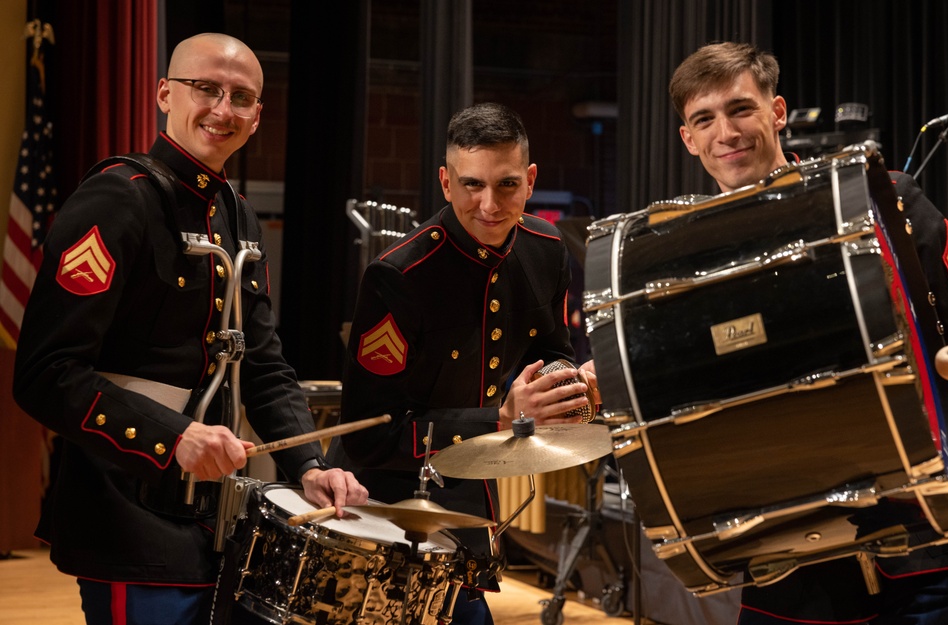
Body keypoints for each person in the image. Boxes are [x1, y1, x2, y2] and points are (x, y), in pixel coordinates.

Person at [12, 33, 367, 625]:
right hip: (125, 511)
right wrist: (172, 437)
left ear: (258, 116)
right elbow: (44, 375)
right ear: (164, 94)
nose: (223, 109)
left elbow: (264, 365)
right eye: (207, 88)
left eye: (242, 96)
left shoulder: (238, 214)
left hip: (216, 520)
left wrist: (310, 463)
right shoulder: (115, 200)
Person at [668, 41, 948, 624]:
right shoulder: (678, 268)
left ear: (777, 112)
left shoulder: (886, 202)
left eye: (741, 108)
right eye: (705, 119)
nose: (727, 132)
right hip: (786, 574)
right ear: (688, 140)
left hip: (928, 549)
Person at [334, 102, 598, 625]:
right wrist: (501, 419)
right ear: (445, 182)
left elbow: (552, 354)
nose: (489, 205)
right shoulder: (400, 275)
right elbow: (369, 436)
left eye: (506, 185)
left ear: (530, 181)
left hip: (473, 502)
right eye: (472, 184)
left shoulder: (547, 248)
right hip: (385, 505)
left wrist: (570, 388)